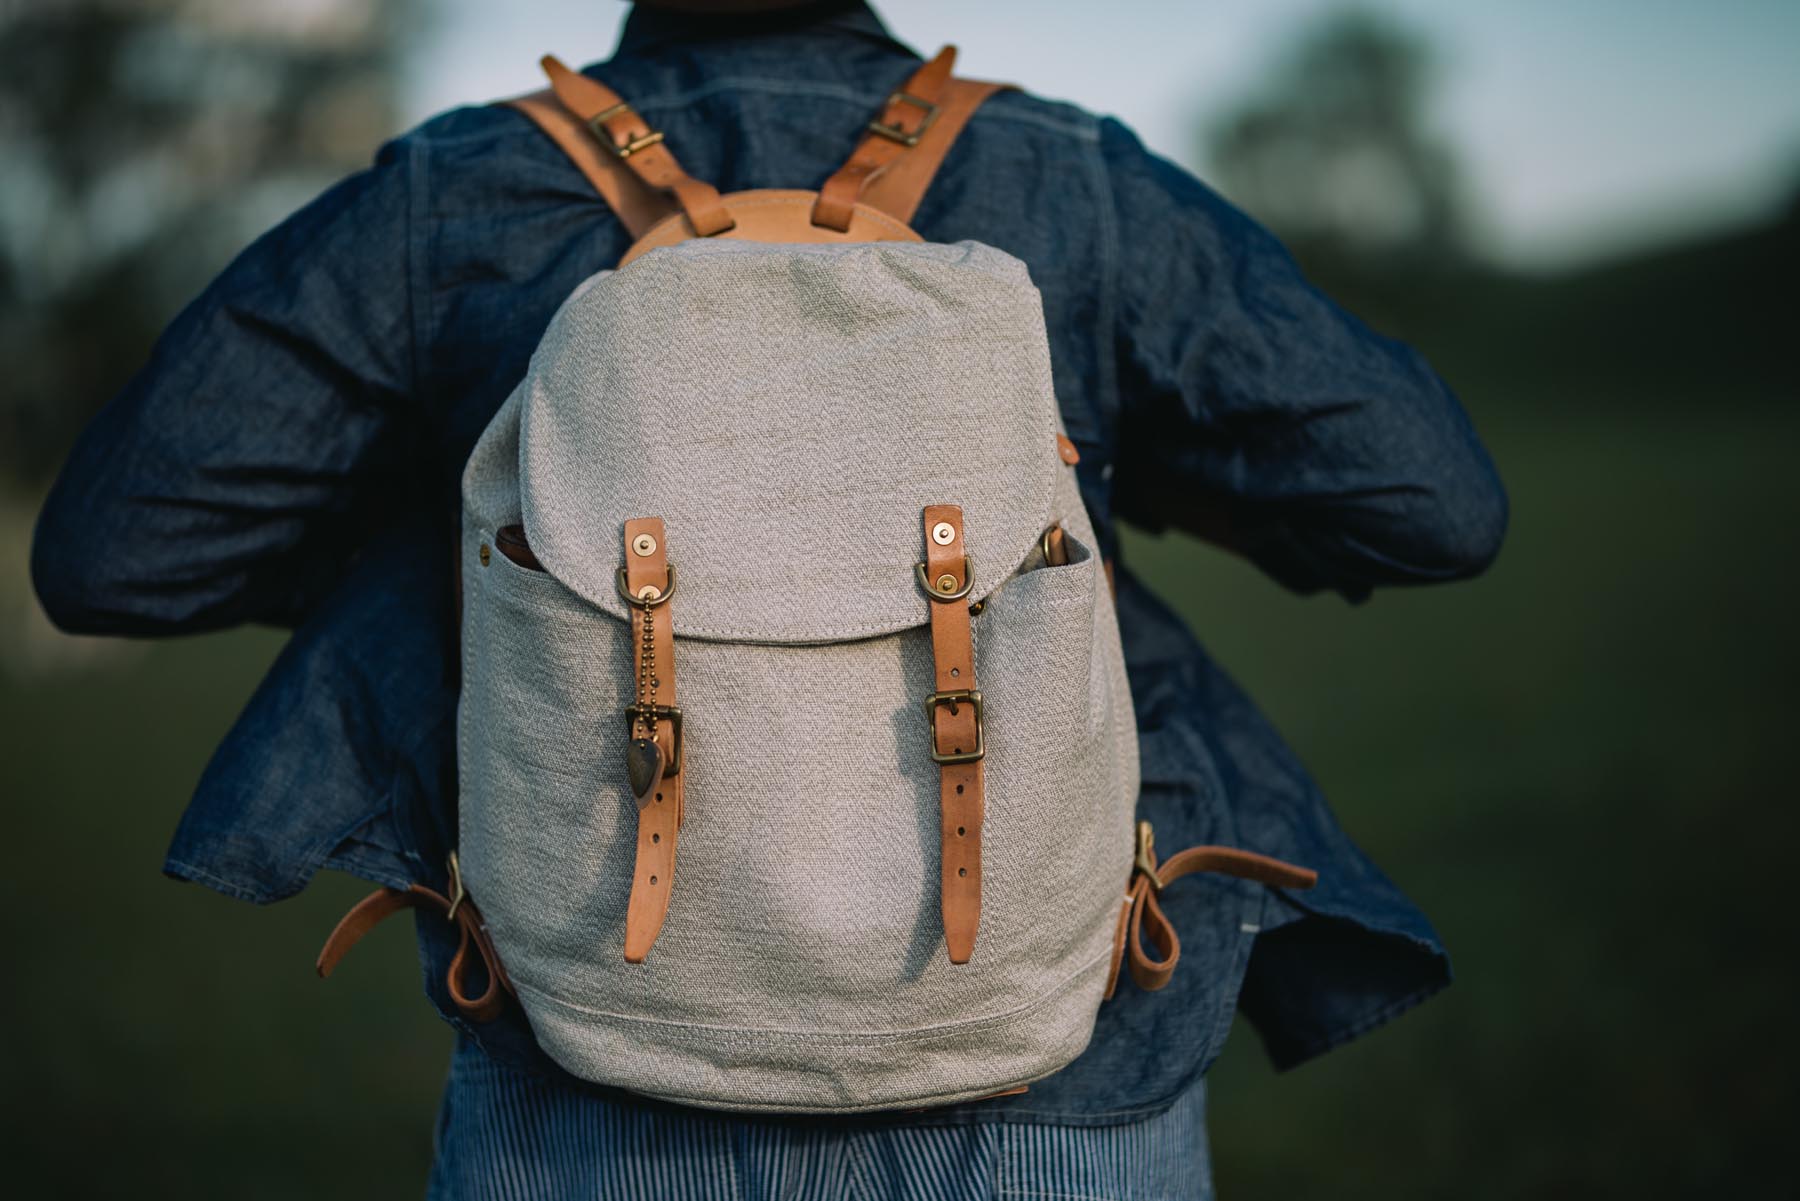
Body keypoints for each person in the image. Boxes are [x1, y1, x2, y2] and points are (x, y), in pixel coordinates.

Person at [31, 1, 1507, 1196]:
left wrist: (491, 532)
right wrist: (1111, 472)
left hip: (596, 1065)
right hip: (1061, 1072)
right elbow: (1432, 500)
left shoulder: (459, 193)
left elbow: (115, 548)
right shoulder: (1071, 179)